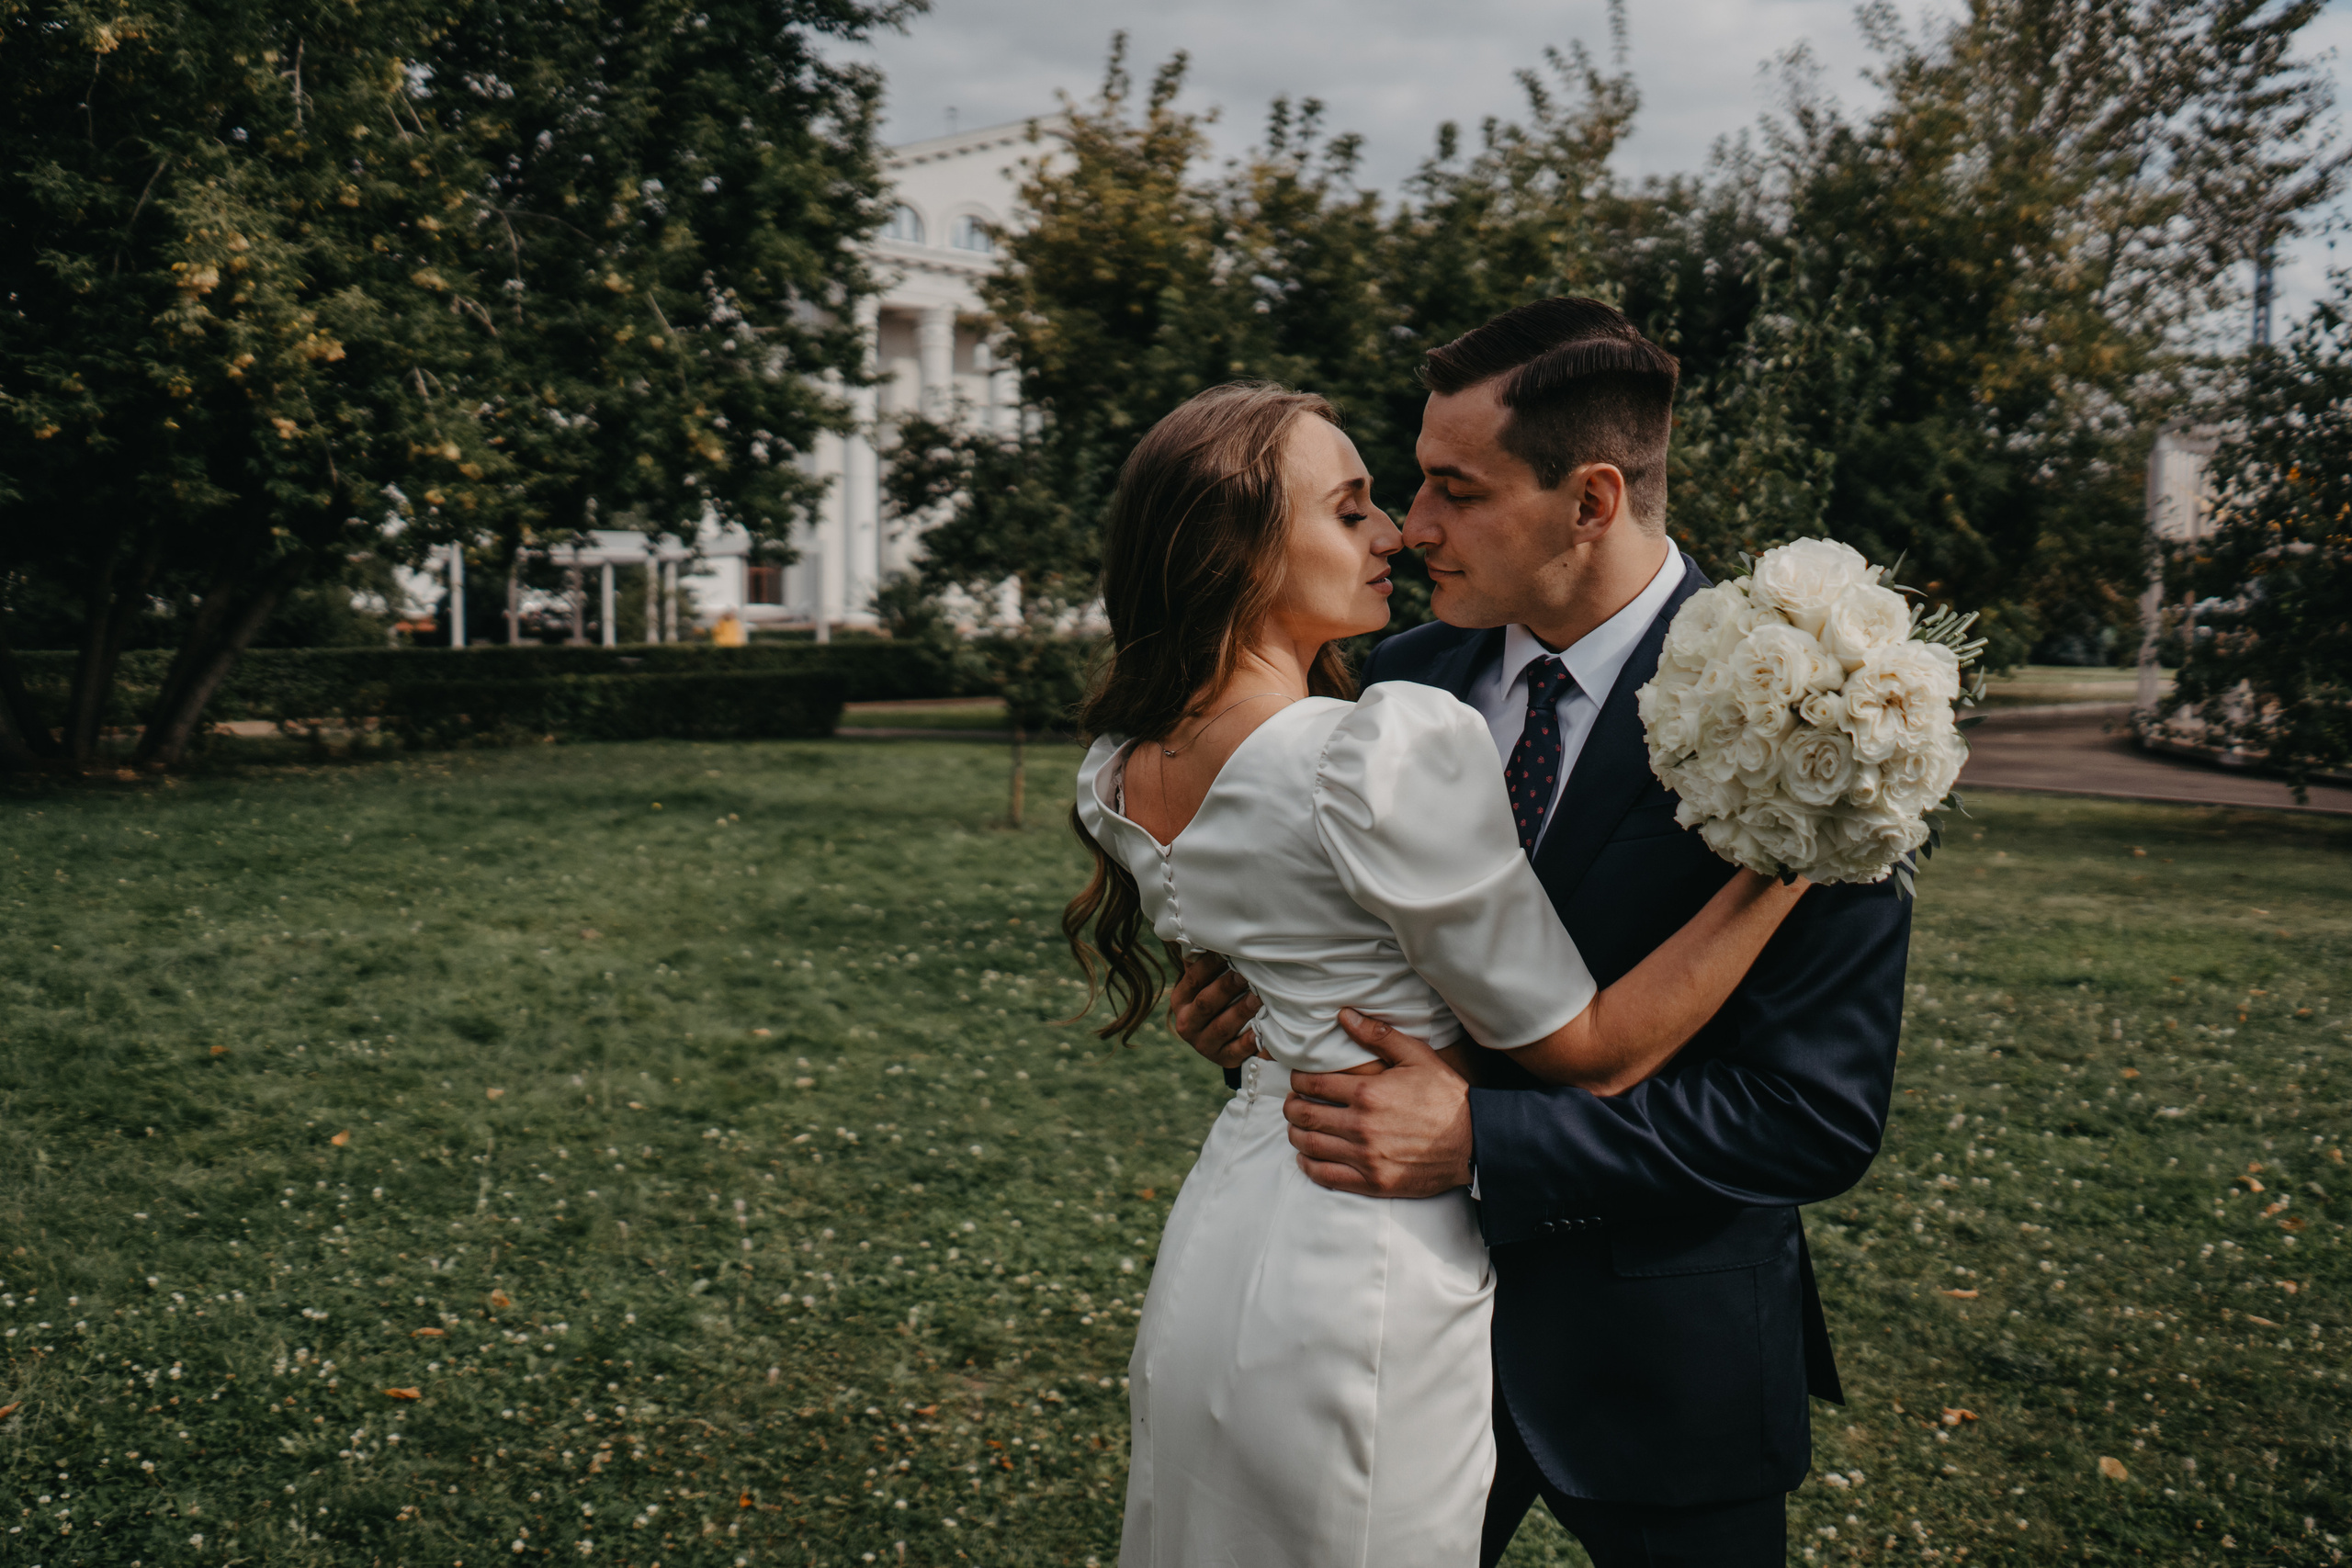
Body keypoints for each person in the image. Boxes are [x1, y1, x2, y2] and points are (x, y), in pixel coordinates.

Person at [1169, 299, 1911, 1567]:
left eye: (1455, 490)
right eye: (1411, 483)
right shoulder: (1392, 682)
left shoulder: (1817, 716)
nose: (1413, 525)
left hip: (1664, 1365)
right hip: (1376, 1335)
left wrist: (1485, 1142)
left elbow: (1809, 1117)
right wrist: (1260, 1020)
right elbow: (1354, 971)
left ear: (1591, 500)